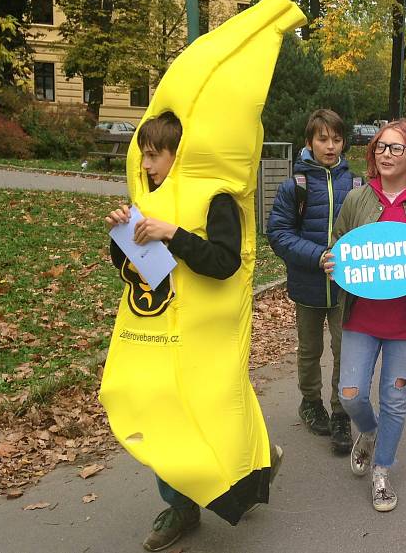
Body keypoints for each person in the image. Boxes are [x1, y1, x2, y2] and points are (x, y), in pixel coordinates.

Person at [104, 112, 283, 551]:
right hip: (161, 333)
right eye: (143, 156)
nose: (145, 166)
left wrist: (174, 234)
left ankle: (256, 462)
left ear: (177, 154)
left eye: (153, 155)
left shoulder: (218, 200)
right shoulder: (151, 198)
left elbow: (225, 264)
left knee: (216, 409)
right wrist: (120, 234)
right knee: (165, 417)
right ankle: (182, 507)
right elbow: (134, 269)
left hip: (209, 337)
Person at [323, 119, 406, 512]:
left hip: (405, 321)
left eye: (395, 148)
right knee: (351, 395)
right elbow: (338, 246)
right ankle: (368, 432)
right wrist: (331, 261)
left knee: (394, 398)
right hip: (360, 316)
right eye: (380, 146)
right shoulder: (358, 199)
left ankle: (382, 471)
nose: (385, 153)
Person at [267, 109, 358, 454]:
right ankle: (310, 402)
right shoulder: (296, 186)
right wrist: (318, 255)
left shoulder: (358, 185)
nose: (330, 146)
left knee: (344, 349)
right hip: (307, 285)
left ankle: (340, 412)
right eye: (323, 139)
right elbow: (278, 233)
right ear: (309, 143)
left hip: (346, 288)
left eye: (336, 139)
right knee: (309, 350)